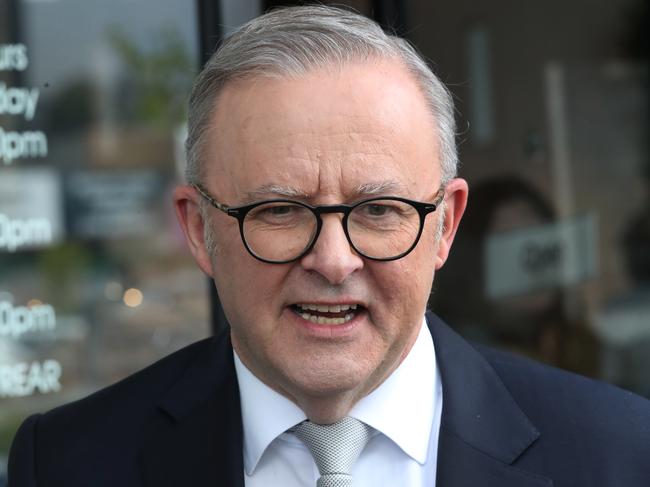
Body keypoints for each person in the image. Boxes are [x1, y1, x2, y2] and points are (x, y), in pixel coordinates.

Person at [8, 6, 650, 487]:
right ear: (200, 231)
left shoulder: (620, 454)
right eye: (281, 210)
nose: (335, 261)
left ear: (446, 226)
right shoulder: (68, 463)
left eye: (378, 210)